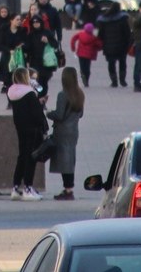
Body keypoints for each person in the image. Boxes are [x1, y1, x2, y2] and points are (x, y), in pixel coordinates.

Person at [7, 67, 48, 201]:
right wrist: (40, 104)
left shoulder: (12, 92)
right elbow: (36, 114)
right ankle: (28, 188)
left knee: (22, 156)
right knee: (31, 157)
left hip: (20, 128)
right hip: (32, 129)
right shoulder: (29, 93)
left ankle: (15, 187)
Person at [46, 67, 84, 201]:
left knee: (64, 160)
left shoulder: (63, 95)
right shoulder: (80, 94)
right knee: (69, 158)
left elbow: (59, 115)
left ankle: (68, 189)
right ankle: (69, 187)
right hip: (73, 131)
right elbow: (81, 114)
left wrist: (48, 113)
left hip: (62, 131)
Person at [95, 1, 131, 88]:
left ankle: (114, 81)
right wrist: (128, 43)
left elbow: (100, 35)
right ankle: (123, 81)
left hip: (108, 46)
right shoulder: (122, 19)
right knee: (122, 63)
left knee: (111, 63)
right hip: (121, 46)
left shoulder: (104, 20)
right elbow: (127, 33)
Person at [25, 13, 57, 91]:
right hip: (34, 61)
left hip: (46, 61)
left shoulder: (47, 32)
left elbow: (55, 44)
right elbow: (27, 48)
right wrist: (27, 60)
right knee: (35, 80)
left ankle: (42, 96)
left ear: (41, 22)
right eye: (34, 22)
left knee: (44, 80)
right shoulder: (30, 35)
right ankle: (38, 96)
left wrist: (48, 41)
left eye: (37, 22)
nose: (36, 24)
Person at [70, 23, 102, 87]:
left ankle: (83, 77)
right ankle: (86, 80)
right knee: (87, 68)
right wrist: (97, 48)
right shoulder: (93, 38)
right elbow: (100, 45)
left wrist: (73, 47)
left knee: (82, 67)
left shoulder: (80, 34)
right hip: (89, 55)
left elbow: (73, 39)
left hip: (80, 54)